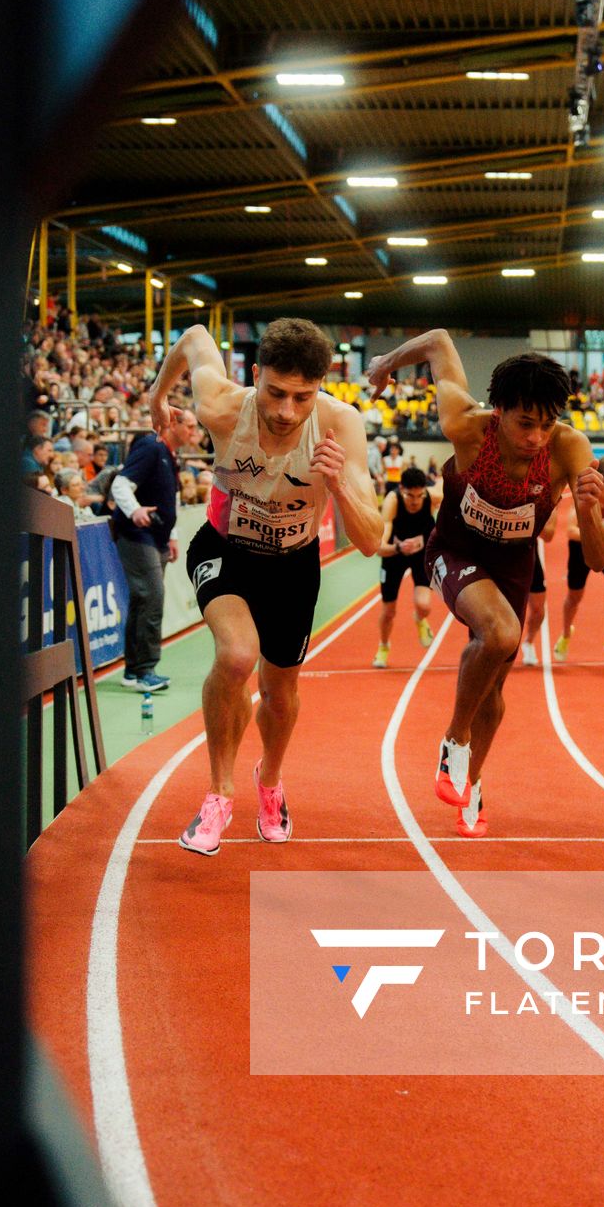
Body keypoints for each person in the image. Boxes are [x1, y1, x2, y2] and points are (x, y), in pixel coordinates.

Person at [149, 319, 383, 854]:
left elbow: (370, 540)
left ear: (321, 388)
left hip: (294, 566)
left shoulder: (339, 425)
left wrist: (341, 482)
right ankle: (219, 792)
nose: (286, 410)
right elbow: (192, 337)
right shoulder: (222, 404)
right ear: (255, 377)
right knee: (236, 656)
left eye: (302, 397)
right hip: (223, 550)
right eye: (275, 393)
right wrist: (158, 395)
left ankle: (270, 781)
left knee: (280, 693)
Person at [364, 331, 604, 839]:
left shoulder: (569, 449)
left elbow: (599, 559)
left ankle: (471, 783)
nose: (536, 437)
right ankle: (454, 742)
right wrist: (387, 363)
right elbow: (438, 342)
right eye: (525, 424)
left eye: (547, 425)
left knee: (496, 685)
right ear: (498, 411)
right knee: (499, 634)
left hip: (513, 566)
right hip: (455, 550)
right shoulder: (465, 426)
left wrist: (590, 509)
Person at [110, 407, 204, 693]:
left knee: (143, 600)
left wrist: (172, 536)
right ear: (172, 424)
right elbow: (120, 484)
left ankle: (133, 670)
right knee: (151, 596)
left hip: (157, 537)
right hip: (138, 535)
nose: (193, 432)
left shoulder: (170, 455)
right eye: (189, 426)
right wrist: (135, 510)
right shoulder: (151, 447)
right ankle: (145, 671)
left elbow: (169, 498)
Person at [554, 455, 604, 661]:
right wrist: (593, 532)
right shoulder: (587, 497)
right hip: (581, 547)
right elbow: (570, 530)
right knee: (574, 598)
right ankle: (565, 635)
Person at [373, 467, 436, 667]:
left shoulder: (432, 497)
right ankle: (383, 647)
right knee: (388, 611)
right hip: (395, 556)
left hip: (420, 556)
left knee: (424, 605)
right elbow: (379, 548)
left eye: (420, 495)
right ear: (401, 489)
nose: (415, 501)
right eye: (410, 495)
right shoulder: (392, 502)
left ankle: (419, 619)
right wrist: (398, 547)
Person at [519, 515, 559, 666]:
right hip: (497, 553)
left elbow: (548, 535)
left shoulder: (547, 497)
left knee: (538, 610)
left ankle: (528, 642)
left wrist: (526, 519)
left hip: (528, 554)